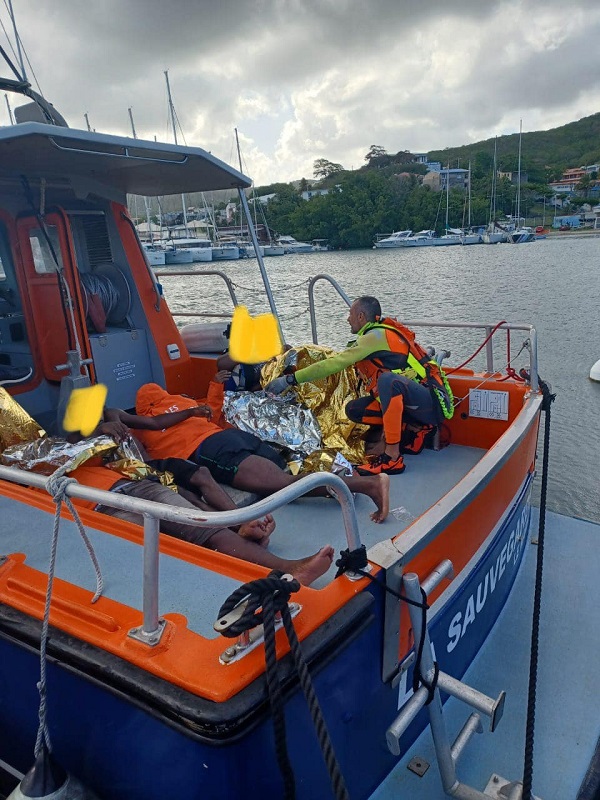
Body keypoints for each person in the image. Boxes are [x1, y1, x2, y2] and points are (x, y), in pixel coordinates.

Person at [69, 421, 334, 586]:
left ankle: (289, 568)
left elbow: (111, 443)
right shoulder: (44, 473)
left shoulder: (91, 451)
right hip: (98, 505)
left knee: (199, 523)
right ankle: (247, 544)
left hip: (135, 483)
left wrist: (101, 429)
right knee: (160, 547)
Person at [105, 374, 390, 523]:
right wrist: (215, 384)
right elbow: (214, 412)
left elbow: (112, 413)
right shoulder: (185, 403)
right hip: (236, 439)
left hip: (212, 450)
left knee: (282, 486)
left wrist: (115, 422)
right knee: (284, 478)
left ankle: (367, 485)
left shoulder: (143, 423)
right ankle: (341, 488)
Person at [265, 296, 453, 476]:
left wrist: (290, 379)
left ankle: (392, 457)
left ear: (361, 316)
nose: (348, 319)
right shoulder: (374, 335)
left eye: (350, 314)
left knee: (388, 381)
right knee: (354, 410)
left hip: (429, 405)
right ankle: (414, 430)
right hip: (414, 406)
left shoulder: (376, 337)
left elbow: (336, 363)